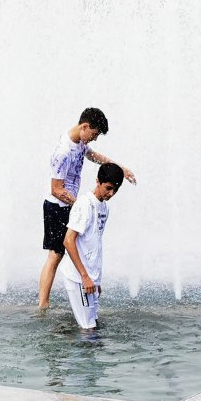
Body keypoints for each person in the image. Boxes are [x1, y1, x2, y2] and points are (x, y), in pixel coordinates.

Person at [39, 108, 136, 309]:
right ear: (84, 126)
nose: (94, 138)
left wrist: (120, 168)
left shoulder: (80, 143)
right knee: (55, 255)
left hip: (70, 205)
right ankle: (43, 305)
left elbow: (93, 155)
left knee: (80, 248)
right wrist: (81, 205)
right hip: (57, 207)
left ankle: (83, 288)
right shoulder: (63, 152)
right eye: (94, 134)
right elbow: (56, 189)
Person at [59, 163, 125, 330]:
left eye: (115, 190)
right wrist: (85, 277)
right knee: (88, 329)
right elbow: (68, 241)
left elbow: (94, 243)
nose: (111, 194)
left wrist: (96, 280)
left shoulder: (104, 207)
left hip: (91, 278)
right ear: (98, 181)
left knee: (93, 325)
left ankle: (65, 333)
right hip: (79, 278)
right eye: (108, 188)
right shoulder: (85, 204)